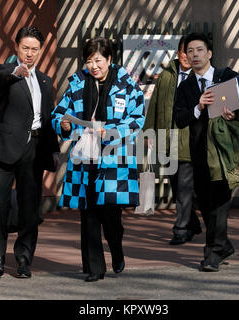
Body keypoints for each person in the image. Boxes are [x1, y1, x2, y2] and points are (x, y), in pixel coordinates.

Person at [52, 37, 145, 282]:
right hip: (86, 155)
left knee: (110, 213)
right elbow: (59, 112)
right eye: (90, 61)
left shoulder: (127, 84)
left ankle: (116, 249)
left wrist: (114, 131)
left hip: (115, 155)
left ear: (109, 60)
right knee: (89, 210)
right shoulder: (77, 83)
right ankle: (95, 268)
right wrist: (62, 123)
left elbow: (137, 117)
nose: (94, 66)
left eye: (99, 61)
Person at [0, 26, 60, 278]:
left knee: (29, 207)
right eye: (25, 48)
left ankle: (24, 258)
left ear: (41, 50)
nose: (29, 54)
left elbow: (47, 118)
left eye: (34, 49)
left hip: (33, 150)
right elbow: (1, 76)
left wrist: (53, 148)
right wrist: (15, 71)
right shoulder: (4, 71)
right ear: (16, 47)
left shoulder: (46, 82)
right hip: (3, 149)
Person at [173, 32, 239, 272]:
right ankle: (225, 245)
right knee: (205, 202)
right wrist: (198, 107)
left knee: (220, 202)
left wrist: (234, 113)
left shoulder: (227, 77)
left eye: (199, 50)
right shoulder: (186, 86)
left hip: (224, 151)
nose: (194, 54)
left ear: (209, 53)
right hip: (199, 153)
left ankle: (212, 253)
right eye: (190, 51)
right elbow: (179, 119)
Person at [143, 36, 202, 245]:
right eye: (186, 52)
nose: (189, 56)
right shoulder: (167, 76)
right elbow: (155, 105)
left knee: (184, 186)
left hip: (188, 139)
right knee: (176, 185)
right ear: (179, 53)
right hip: (167, 139)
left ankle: (181, 229)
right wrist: (149, 132)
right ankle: (193, 224)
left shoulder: (200, 76)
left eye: (194, 51)